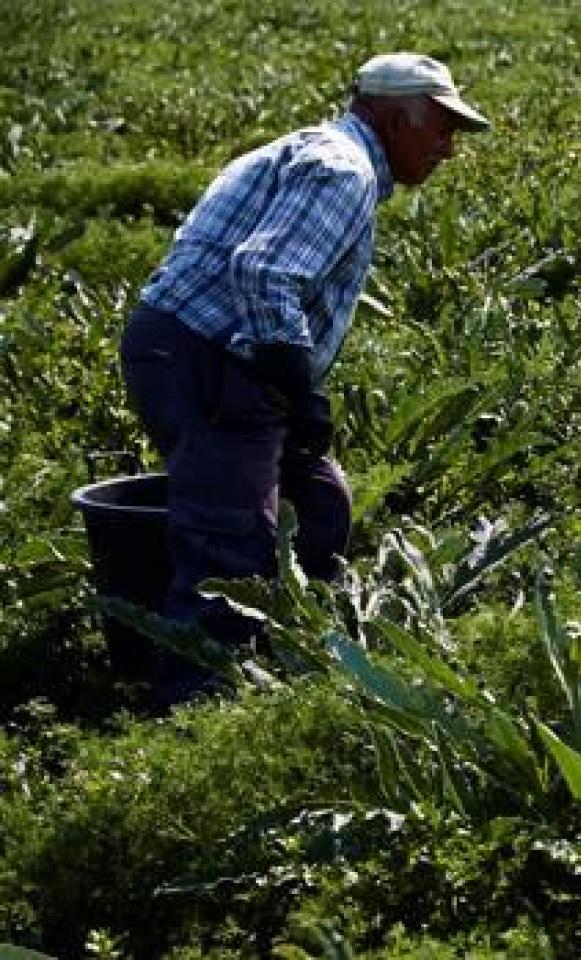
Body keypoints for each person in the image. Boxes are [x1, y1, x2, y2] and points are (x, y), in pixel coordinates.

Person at [119, 53, 490, 705]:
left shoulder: (320, 152)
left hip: (213, 352)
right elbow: (265, 273)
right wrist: (299, 385)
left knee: (318, 504)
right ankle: (192, 712)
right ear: (392, 117)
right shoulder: (343, 170)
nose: (448, 148)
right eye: (441, 127)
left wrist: (289, 389)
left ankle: (291, 657)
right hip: (213, 359)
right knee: (230, 552)